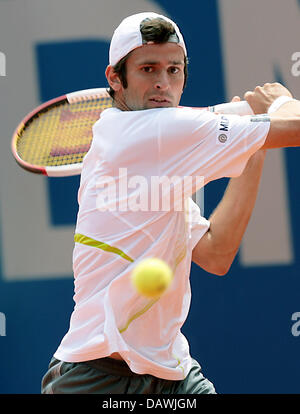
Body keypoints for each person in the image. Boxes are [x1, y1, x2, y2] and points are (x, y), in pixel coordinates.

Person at [41, 12, 300, 394]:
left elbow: (216, 253)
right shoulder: (154, 134)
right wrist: (281, 102)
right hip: (96, 377)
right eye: (148, 69)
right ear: (115, 78)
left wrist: (252, 146)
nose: (163, 83)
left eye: (174, 70)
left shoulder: (162, 154)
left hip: (171, 373)